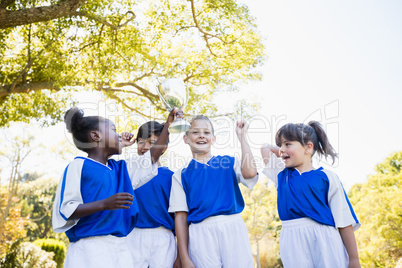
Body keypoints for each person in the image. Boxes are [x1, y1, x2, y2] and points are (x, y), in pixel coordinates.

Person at [52, 107, 176, 268]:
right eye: (113, 130)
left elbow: (152, 156)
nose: (119, 134)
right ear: (96, 135)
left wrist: (168, 124)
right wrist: (105, 204)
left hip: (120, 249)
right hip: (89, 249)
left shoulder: (120, 169)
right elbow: (66, 209)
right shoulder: (78, 166)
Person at [260, 121, 361, 268]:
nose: (281, 149)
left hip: (325, 239)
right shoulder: (281, 175)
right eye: (280, 145)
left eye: (287, 144)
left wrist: (354, 259)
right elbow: (265, 148)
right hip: (292, 240)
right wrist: (287, 149)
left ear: (308, 147)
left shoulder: (327, 177)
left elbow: (344, 220)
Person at [169, 115, 258, 268]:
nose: (202, 135)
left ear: (213, 138)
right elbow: (181, 218)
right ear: (186, 138)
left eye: (206, 132)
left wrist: (242, 137)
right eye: (195, 132)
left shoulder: (229, 162)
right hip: (201, 232)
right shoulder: (181, 175)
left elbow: (250, 173)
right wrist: (184, 258)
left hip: (232, 227)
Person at [121, 121, 179, 268]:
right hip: (132, 235)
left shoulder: (172, 177)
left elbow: (179, 217)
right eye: (141, 142)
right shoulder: (127, 172)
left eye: (152, 142)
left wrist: (179, 253)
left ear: (163, 148)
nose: (145, 147)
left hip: (163, 237)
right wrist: (120, 144)